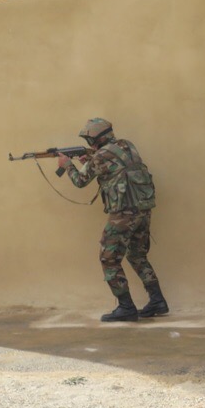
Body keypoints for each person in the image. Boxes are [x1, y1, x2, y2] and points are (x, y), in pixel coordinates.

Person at [57, 118, 168, 322]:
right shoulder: (127, 145)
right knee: (137, 256)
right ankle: (157, 301)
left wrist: (68, 166)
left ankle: (126, 307)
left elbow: (80, 182)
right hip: (142, 211)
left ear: (96, 139)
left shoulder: (99, 156)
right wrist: (89, 161)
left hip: (123, 214)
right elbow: (115, 168)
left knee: (108, 258)